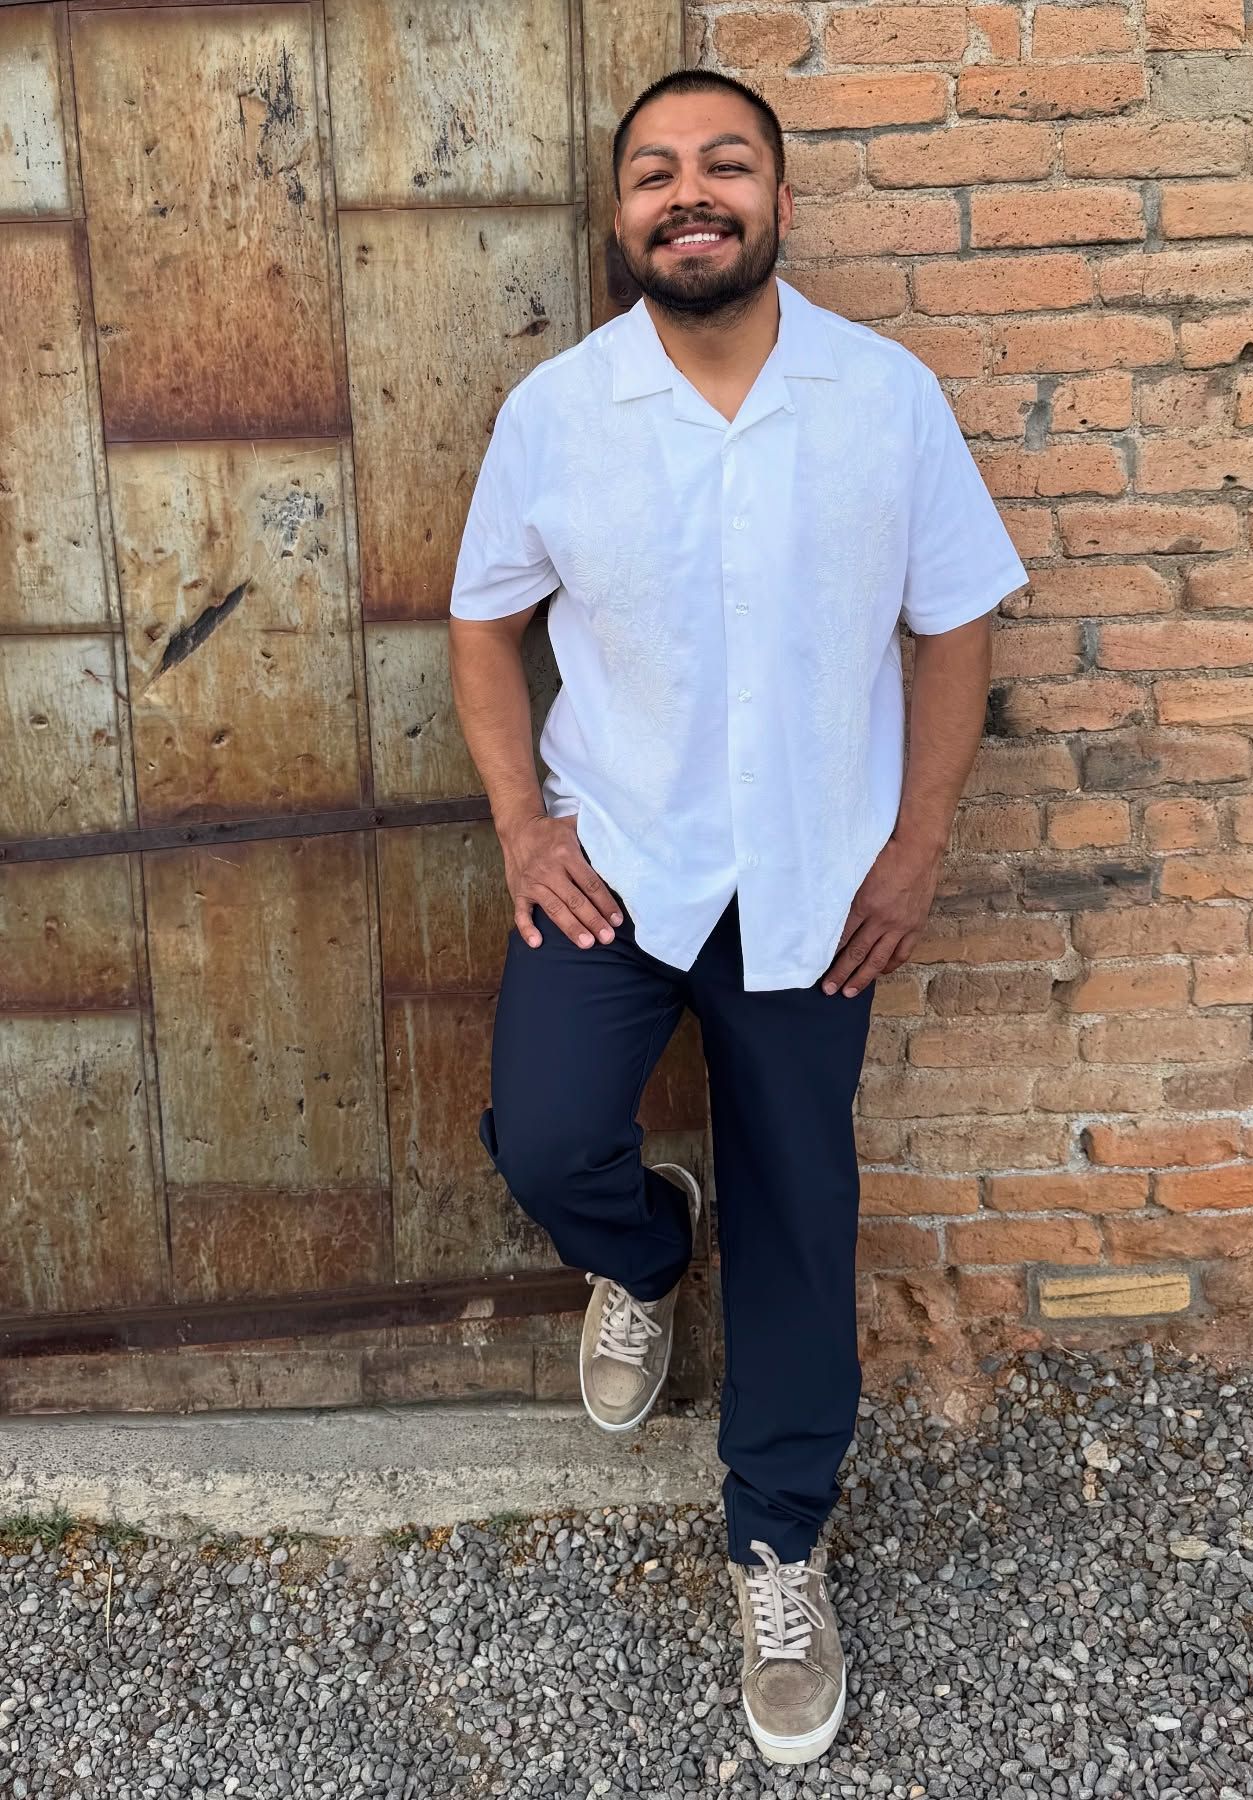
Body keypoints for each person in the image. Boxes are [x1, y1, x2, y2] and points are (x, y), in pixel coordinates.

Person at [447, 67, 1028, 1769]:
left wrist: (916, 843)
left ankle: (778, 1541)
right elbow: (488, 627)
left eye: (724, 165)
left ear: (777, 198)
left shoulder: (884, 396)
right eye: (654, 172)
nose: (687, 194)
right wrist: (517, 822)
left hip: (811, 880)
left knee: (803, 1210)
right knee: (551, 1139)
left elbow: (958, 623)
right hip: (615, 865)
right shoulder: (557, 410)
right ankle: (642, 1244)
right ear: (620, 215)